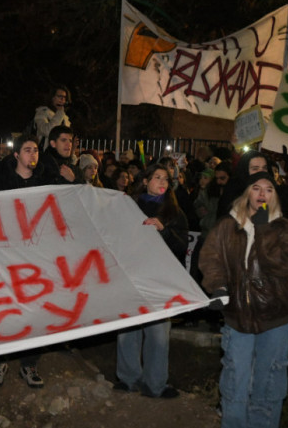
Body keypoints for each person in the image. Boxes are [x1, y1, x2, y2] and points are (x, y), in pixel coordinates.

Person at [199, 171, 288, 427]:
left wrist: (263, 229)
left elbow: (281, 266)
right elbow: (211, 258)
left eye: (269, 189)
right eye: (256, 188)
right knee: (235, 378)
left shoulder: (285, 228)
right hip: (237, 316)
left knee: (269, 382)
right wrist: (218, 286)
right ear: (247, 193)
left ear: (275, 195)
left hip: (275, 317)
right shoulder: (227, 225)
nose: (262, 194)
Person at [115, 164, 188, 399]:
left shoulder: (175, 212)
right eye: (157, 177)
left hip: (160, 280)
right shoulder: (129, 206)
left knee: (158, 334)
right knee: (128, 331)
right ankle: (128, 379)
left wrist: (163, 231)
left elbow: (181, 245)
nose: (162, 182)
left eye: (166, 179)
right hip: (131, 277)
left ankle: (155, 384)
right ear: (145, 181)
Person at [0, 134, 46, 388]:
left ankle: (29, 364)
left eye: (35, 151)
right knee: (4, 308)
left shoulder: (46, 183)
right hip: (6, 257)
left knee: (33, 311)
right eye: (27, 150)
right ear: (16, 156)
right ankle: (0, 359)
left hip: (35, 260)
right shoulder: (1, 183)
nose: (32, 155)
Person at [34, 85, 71, 151]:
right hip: (45, 154)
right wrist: (59, 113)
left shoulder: (64, 118)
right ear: (52, 97)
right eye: (60, 96)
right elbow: (48, 131)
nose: (62, 99)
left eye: (64, 97)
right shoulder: (42, 113)